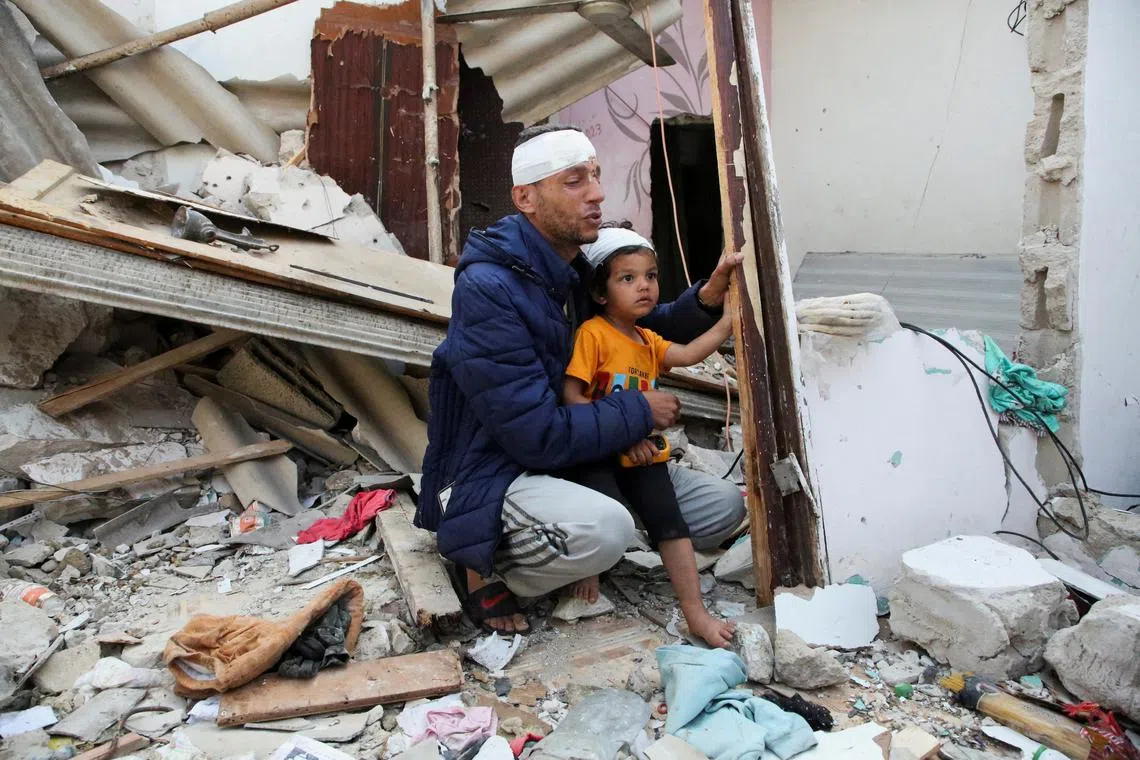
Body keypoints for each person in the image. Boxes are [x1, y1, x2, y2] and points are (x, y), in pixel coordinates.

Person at [416, 124, 746, 643]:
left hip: (587, 450)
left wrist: (708, 295)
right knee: (605, 529)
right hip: (502, 465)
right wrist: (638, 412)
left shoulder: (570, 269)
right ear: (525, 197)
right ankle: (486, 566)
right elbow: (534, 436)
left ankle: (599, 527)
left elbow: (645, 327)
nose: (597, 193)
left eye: (594, 175)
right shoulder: (489, 290)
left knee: (723, 508)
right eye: (574, 181)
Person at [559, 223, 736, 647]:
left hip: (645, 455)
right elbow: (572, 395)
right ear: (601, 294)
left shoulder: (647, 340)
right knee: (605, 513)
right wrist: (620, 436)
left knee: (671, 525)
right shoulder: (593, 334)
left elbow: (690, 352)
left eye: (651, 277)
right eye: (628, 278)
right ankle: (590, 571)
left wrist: (729, 320)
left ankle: (696, 614)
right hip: (600, 453)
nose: (644, 287)